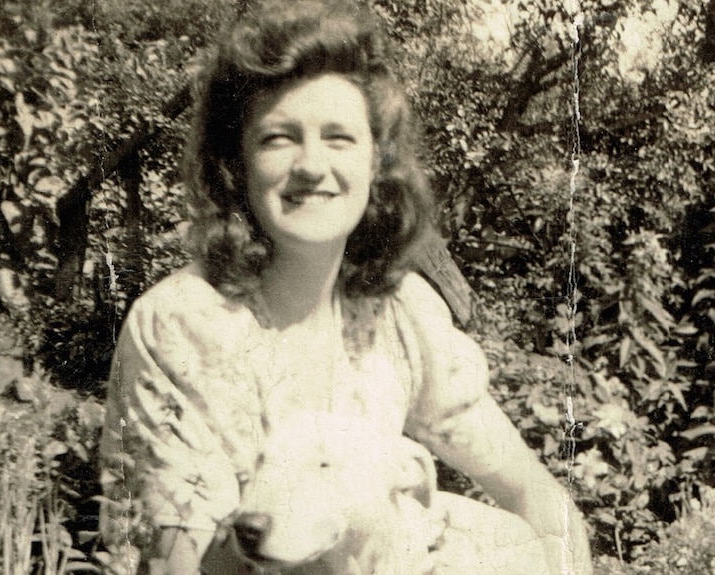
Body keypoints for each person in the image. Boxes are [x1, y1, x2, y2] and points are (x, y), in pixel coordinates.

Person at [98, 1, 594, 574]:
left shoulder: (397, 313)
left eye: (339, 138)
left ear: (375, 164)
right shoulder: (182, 326)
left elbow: (540, 500)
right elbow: (171, 570)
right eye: (278, 138)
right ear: (235, 163)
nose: (311, 165)